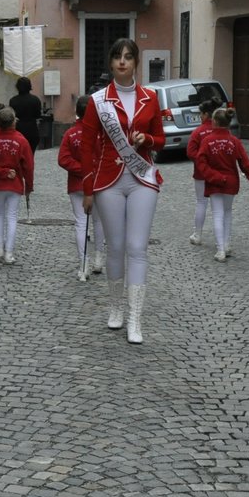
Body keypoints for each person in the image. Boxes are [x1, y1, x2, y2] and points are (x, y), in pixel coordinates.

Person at [80, 38, 165, 344]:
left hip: (142, 177)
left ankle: (135, 319)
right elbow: (87, 147)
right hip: (108, 181)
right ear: (111, 62)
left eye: (128, 57)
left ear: (136, 62)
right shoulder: (97, 101)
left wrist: (148, 140)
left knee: (137, 247)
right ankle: (115, 308)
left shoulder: (150, 98)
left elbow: (161, 138)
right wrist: (87, 189)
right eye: (117, 56)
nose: (122, 62)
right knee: (115, 247)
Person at [198, 106, 249, 261]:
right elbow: (245, 164)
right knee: (227, 212)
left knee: (217, 214)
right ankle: (226, 244)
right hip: (230, 183)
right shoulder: (234, 141)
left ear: (214, 122)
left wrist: (212, 176)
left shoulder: (207, 141)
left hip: (215, 183)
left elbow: (201, 164)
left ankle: (220, 249)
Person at [58, 94, 107, 281]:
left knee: (80, 223)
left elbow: (63, 159)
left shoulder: (70, 133)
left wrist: (80, 169)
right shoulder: (101, 134)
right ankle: (98, 261)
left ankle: (83, 264)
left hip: (77, 183)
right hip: (97, 182)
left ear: (76, 112)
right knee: (98, 222)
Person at [0, 106, 33, 264]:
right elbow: (29, 166)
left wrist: (0, 171)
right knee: (12, 217)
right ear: (13, 122)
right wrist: (29, 186)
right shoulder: (21, 140)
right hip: (15, 184)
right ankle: (9, 253)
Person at [185, 98, 221, 246]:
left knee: (201, 202)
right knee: (219, 208)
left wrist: (202, 163)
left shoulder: (198, 132)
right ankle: (223, 241)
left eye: (201, 114)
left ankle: (197, 234)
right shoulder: (220, 130)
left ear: (206, 114)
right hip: (218, 172)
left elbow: (190, 152)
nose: (200, 116)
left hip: (201, 173)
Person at [9, 76, 43, 153]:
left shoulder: (13, 100)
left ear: (17, 87)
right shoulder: (35, 100)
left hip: (18, 130)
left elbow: (12, 116)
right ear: (29, 86)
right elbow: (38, 115)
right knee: (30, 155)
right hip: (32, 130)